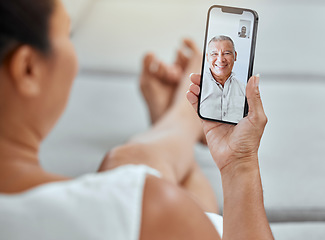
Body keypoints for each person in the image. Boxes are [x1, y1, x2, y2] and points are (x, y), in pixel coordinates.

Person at [0, 0, 274, 239]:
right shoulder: (142, 204)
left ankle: (177, 119)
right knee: (127, 163)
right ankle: (183, 114)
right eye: (67, 34)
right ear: (28, 69)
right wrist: (240, 163)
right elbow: (153, 207)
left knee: (135, 168)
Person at [200, 35, 245, 123]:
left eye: (227, 53)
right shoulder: (198, 87)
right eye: (214, 54)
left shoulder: (244, 89)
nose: (220, 60)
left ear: (235, 56)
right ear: (207, 57)